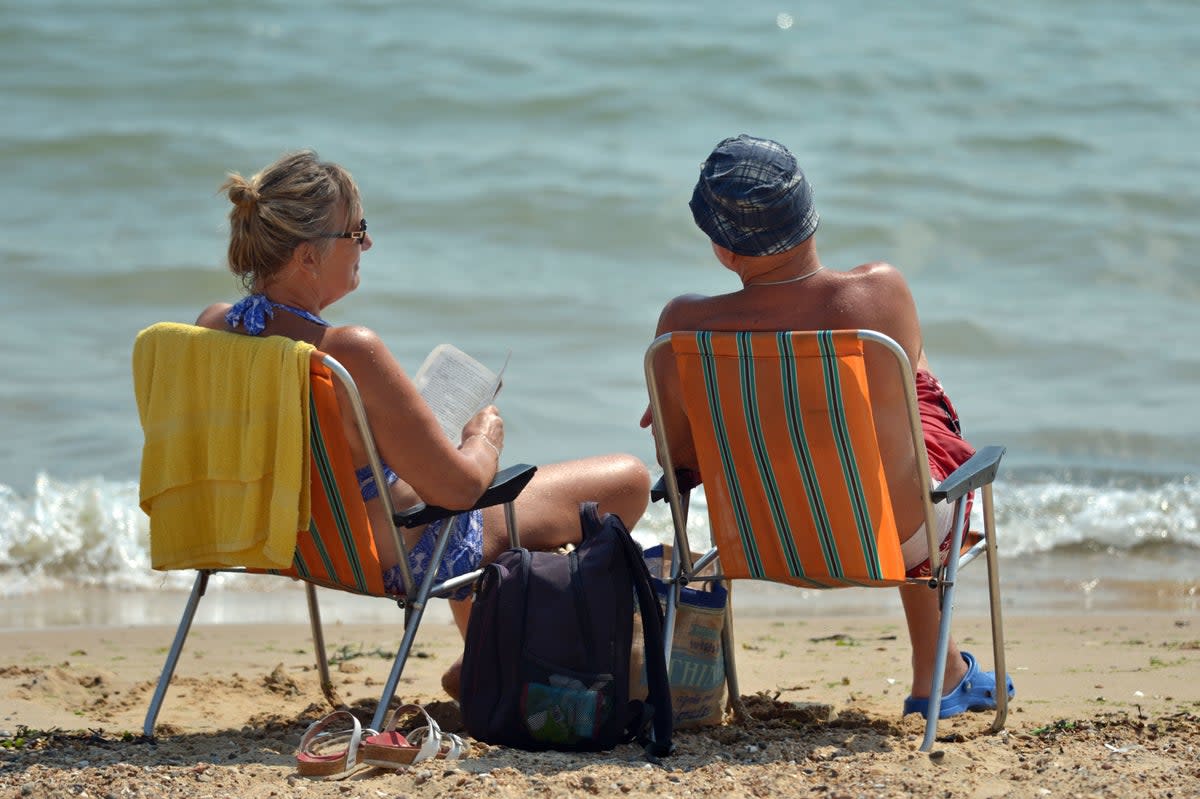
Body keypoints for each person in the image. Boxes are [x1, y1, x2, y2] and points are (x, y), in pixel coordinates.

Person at [196, 150, 651, 698]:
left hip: (290, 540)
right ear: (306, 259)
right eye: (356, 231)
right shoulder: (347, 353)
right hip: (377, 551)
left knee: (441, 491)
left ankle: (489, 652)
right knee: (622, 480)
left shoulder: (214, 328)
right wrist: (482, 438)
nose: (367, 244)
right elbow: (458, 489)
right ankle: (506, 660)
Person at [640, 134, 1013, 719]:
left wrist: (677, 401)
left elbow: (679, 460)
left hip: (758, 540)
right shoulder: (879, 294)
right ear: (810, 212)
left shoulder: (683, 325)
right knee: (908, 390)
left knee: (852, 411)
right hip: (894, 537)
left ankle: (942, 668)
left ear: (723, 249)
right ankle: (938, 672)